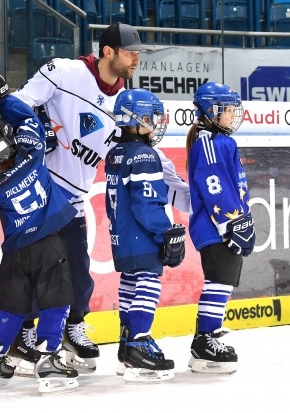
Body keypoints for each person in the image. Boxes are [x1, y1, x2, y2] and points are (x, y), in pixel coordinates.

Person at [12, 22, 191, 374]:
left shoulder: (125, 103)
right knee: (39, 272)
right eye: (130, 52)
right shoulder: (64, 71)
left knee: (80, 275)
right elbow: (19, 104)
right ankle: (22, 335)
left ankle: (70, 328)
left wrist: (193, 198)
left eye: (139, 53)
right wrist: (35, 125)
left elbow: (153, 161)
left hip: (75, 200)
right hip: (42, 192)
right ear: (107, 51)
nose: (137, 59)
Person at [0, 63, 79, 395]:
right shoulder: (31, 152)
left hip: (15, 252)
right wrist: (1, 96)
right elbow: (27, 120)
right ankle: (48, 356)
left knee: (12, 306)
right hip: (48, 244)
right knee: (56, 299)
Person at [105, 88, 186, 383]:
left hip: (121, 235)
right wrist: (164, 231)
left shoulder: (115, 152)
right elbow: (147, 201)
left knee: (129, 282)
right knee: (148, 281)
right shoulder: (144, 154)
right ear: (135, 120)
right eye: (152, 117)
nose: (156, 122)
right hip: (141, 234)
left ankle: (127, 345)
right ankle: (139, 341)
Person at [185, 82, 256, 374]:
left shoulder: (220, 141)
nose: (231, 114)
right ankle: (205, 341)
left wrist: (243, 217)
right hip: (216, 228)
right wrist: (231, 224)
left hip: (224, 226)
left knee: (223, 281)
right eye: (226, 109)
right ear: (211, 110)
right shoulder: (208, 142)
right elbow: (214, 185)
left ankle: (207, 337)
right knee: (218, 280)